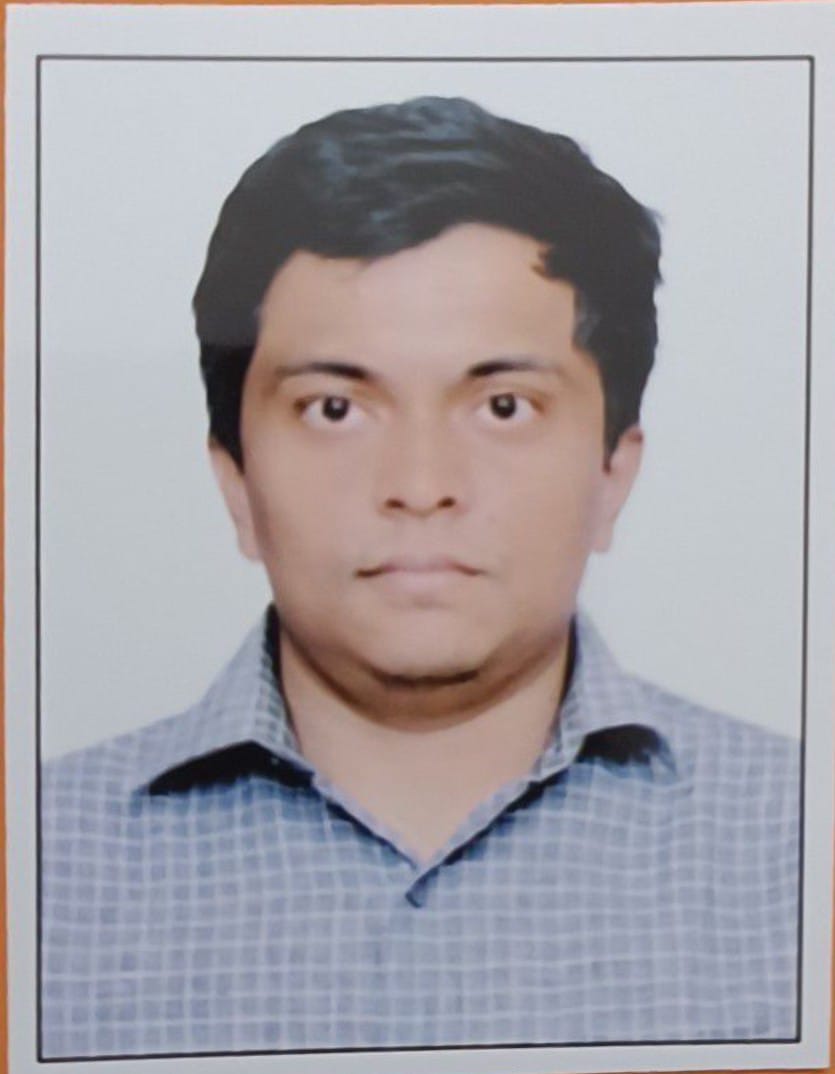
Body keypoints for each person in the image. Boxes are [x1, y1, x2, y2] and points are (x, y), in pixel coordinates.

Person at [40, 96, 799, 1059]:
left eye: (504, 406)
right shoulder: (38, 862)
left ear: (613, 473)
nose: (420, 484)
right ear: (235, 481)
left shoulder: (797, 845)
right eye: (333, 409)